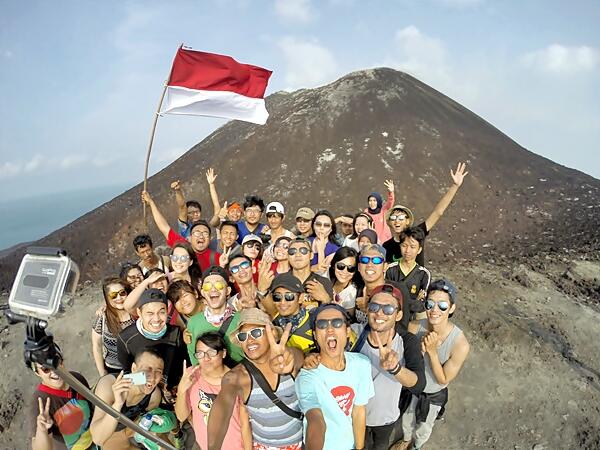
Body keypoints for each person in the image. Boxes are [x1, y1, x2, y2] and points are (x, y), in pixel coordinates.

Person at [207, 308, 305, 450]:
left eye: (256, 332)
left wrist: (291, 356)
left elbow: (298, 357)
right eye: (243, 336)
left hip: (299, 443)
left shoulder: (289, 358)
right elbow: (222, 407)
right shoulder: (236, 377)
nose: (249, 340)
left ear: (272, 333)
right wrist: (213, 446)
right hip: (263, 446)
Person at [399, 279, 470, 450]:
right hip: (413, 388)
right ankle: (405, 440)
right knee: (406, 419)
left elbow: (443, 379)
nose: (434, 310)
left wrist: (432, 352)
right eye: (430, 304)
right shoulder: (415, 327)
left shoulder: (460, 344)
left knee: (423, 427)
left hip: (432, 394)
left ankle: (416, 446)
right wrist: (418, 352)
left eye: (442, 306)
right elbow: (405, 359)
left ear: (452, 308)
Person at [350, 284, 422, 450]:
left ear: (399, 315)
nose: (380, 313)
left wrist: (395, 368)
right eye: (374, 307)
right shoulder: (353, 334)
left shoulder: (407, 343)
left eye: (388, 309)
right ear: (367, 310)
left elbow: (418, 384)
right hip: (353, 417)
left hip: (384, 420)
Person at [295, 304, 374, 450]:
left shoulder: (362, 364)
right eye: (322, 324)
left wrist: (359, 447)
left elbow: (358, 411)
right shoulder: (306, 377)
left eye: (337, 323)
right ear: (315, 335)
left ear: (347, 331)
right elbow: (315, 420)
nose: (330, 329)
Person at [175, 332, 251, 450]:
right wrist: (181, 390)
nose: (206, 358)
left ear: (224, 353)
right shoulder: (191, 376)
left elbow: (245, 424)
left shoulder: (238, 380)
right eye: (200, 353)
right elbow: (181, 416)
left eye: (211, 352)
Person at [383, 162, 469, 266]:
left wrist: (455, 186)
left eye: (401, 217)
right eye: (393, 217)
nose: (397, 220)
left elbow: (438, 212)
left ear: (407, 221)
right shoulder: (386, 246)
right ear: (389, 222)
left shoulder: (418, 233)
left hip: (419, 282)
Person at [91, 348, 176, 449]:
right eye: (147, 369)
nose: (152, 378)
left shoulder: (154, 395)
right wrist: (117, 404)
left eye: (158, 372)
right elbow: (98, 439)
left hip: (133, 424)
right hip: (110, 430)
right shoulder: (108, 385)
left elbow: (147, 422)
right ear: (134, 369)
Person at [116, 289, 188, 395]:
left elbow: (182, 365)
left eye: (161, 312)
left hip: (172, 391)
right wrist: (152, 385)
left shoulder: (175, 333)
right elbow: (126, 373)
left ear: (167, 312)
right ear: (139, 313)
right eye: (150, 313)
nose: (156, 319)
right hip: (144, 392)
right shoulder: (125, 338)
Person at [142, 190, 221, 271]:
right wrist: (151, 203)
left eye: (205, 233)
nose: (201, 236)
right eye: (197, 233)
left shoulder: (217, 258)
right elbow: (164, 227)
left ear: (210, 238)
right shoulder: (182, 246)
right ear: (190, 236)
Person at [29, 356, 98, 450]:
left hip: (97, 439)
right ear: (37, 372)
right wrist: (42, 431)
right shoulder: (40, 402)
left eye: (55, 361)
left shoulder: (76, 378)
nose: (54, 371)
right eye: (46, 369)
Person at [185, 266, 245, 365]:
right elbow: (195, 361)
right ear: (203, 292)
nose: (213, 289)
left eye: (218, 285)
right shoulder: (193, 322)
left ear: (228, 291)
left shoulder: (241, 320)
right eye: (207, 286)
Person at [385, 227, 431, 320]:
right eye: (404, 245)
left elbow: (421, 304)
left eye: (412, 247)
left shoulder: (424, 274)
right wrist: (413, 301)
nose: (407, 251)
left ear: (419, 250)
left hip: (413, 318)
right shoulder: (390, 269)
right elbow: (387, 297)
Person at [92, 277, 135, 376]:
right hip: (113, 370)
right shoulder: (103, 318)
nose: (119, 298)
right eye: (113, 295)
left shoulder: (136, 315)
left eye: (122, 293)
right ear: (107, 298)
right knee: (115, 390)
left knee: (140, 390)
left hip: (137, 369)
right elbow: (96, 346)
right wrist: (102, 372)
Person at [271, 272, 315, 353]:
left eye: (289, 296)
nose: (282, 302)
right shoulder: (272, 326)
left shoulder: (314, 321)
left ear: (301, 298)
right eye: (277, 297)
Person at [286, 238, 333, 309]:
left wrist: (325, 299)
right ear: (288, 256)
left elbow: (330, 315)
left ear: (311, 255)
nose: (298, 254)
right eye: (292, 251)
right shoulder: (280, 281)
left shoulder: (323, 282)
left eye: (303, 251)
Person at [329, 246, 362, 315]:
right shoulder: (325, 277)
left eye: (351, 268)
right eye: (341, 266)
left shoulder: (352, 293)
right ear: (333, 265)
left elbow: (349, 319)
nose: (345, 271)